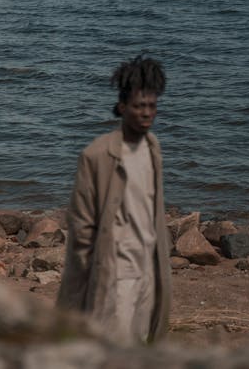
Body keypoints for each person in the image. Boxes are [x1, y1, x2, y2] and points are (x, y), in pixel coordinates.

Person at [57, 55, 171, 345]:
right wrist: (88, 278)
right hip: (116, 271)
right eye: (138, 106)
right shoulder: (97, 155)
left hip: (149, 266)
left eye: (152, 106)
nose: (146, 113)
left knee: (142, 343)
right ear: (122, 108)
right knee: (112, 350)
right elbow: (81, 225)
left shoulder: (153, 149)